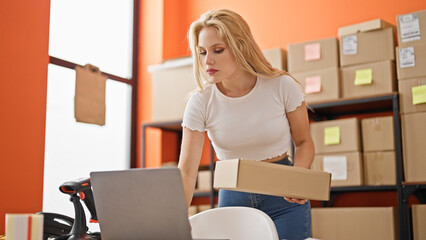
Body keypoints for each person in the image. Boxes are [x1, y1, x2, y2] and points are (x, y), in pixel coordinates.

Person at [178, 9, 315, 240]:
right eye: (202, 52)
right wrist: (177, 217)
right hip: (233, 199)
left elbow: (303, 143)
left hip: (283, 197)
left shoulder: (282, 86)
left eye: (217, 50)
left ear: (240, 46)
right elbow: (188, 171)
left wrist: (298, 181)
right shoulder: (200, 101)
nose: (207, 61)